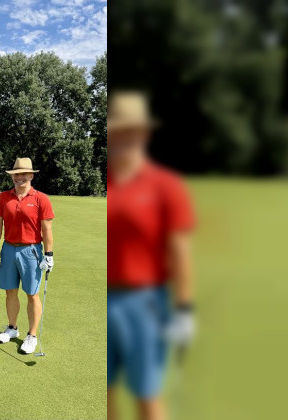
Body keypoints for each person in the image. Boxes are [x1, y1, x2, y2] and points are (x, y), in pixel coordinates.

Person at [107, 91, 196, 420]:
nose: (124, 138)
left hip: (145, 302)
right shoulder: (107, 180)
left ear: (144, 134)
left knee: (147, 395)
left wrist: (184, 309)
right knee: (105, 393)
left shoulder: (165, 184)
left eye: (131, 131)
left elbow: (180, 250)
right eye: (118, 131)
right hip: (105, 298)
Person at [0, 157, 55, 354]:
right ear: (12, 176)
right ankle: (12, 328)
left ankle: (32, 335)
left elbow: (47, 228)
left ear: (31, 176)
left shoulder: (41, 198)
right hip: (9, 248)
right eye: (16, 174)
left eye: (24, 174)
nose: (20, 177)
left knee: (32, 294)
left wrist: (49, 254)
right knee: (10, 291)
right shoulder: (3, 197)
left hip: (31, 251)